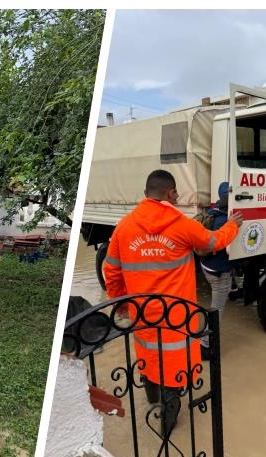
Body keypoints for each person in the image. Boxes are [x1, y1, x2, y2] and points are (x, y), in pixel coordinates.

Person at [102, 170, 242, 436]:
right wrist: (233, 223)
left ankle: (152, 399)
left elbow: (111, 271)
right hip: (176, 315)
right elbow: (214, 241)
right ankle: (168, 419)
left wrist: (120, 304)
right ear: (171, 193)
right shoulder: (182, 224)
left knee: (147, 357)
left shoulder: (124, 226)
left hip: (142, 313)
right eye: (176, 193)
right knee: (175, 367)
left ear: (146, 195)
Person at [199, 181, 234, 348]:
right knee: (217, 309)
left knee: (216, 305)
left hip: (206, 265)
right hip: (219, 271)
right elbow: (222, 243)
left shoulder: (213, 212)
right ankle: (205, 345)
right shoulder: (225, 220)